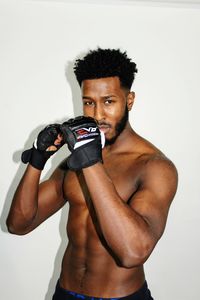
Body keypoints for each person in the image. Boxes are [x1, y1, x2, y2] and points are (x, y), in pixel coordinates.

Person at [6, 48, 178, 300]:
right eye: (89, 102)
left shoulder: (154, 167)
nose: (97, 115)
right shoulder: (73, 162)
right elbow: (18, 224)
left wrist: (89, 161)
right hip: (65, 293)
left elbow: (133, 253)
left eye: (109, 101)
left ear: (129, 100)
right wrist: (37, 160)